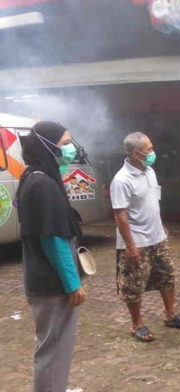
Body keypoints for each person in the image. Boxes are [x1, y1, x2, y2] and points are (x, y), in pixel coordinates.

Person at [16, 121, 86, 392]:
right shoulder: (42, 184)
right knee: (54, 349)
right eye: (65, 142)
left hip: (43, 278)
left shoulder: (33, 176)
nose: (70, 148)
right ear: (48, 145)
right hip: (51, 283)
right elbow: (54, 239)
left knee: (54, 346)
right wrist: (73, 284)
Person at [110, 132, 180, 342]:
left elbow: (152, 201)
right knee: (133, 285)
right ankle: (136, 324)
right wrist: (130, 245)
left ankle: (170, 314)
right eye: (149, 149)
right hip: (137, 241)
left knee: (167, 276)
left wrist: (161, 224)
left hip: (158, 238)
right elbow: (120, 214)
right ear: (136, 153)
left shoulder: (149, 171)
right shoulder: (121, 180)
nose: (153, 153)